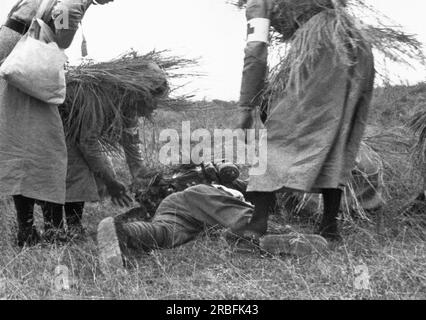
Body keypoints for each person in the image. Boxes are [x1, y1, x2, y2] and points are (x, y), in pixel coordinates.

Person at [235, 0, 375, 241]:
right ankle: (329, 226)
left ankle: (257, 224)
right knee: (337, 132)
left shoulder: (257, 2)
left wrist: (246, 107)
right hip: (356, 40)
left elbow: (256, 53)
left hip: (321, 43)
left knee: (280, 129)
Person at [0, 0, 116, 247]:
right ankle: (53, 231)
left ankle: (27, 231)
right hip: (28, 69)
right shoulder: (75, 1)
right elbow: (63, 16)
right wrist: (62, 39)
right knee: (51, 154)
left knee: (22, 150)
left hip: (17, 66)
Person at [97, 182, 328, 273]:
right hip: (192, 200)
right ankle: (269, 236)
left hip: (199, 223)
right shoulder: (242, 188)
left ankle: (124, 234)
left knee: (166, 234)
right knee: (247, 220)